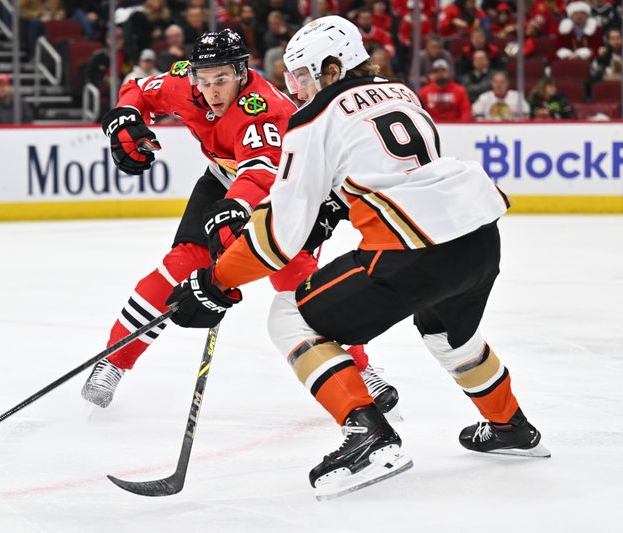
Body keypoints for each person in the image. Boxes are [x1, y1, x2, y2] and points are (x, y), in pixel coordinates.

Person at [165, 16, 549, 500]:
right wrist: (334, 203)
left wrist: (217, 281)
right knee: (449, 334)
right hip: (477, 238)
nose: (297, 90)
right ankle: (510, 426)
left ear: (331, 68)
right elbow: (390, 170)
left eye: (302, 76)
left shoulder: (313, 118)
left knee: (291, 318)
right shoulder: (401, 93)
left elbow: (277, 237)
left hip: (412, 252)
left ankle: (368, 433)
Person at [80, 29, 399, 416]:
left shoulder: (265, 109)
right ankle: (114, 360)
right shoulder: (185, 83)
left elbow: (262, 175)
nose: (212, 90)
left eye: (222, 80)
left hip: (282, 190)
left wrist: (235, 210)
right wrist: (126, 116)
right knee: (179, 267)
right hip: (223, 180)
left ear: (242, 72)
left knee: (300, 286)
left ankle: (362, 370)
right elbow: (139, 89)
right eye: (205, 80)